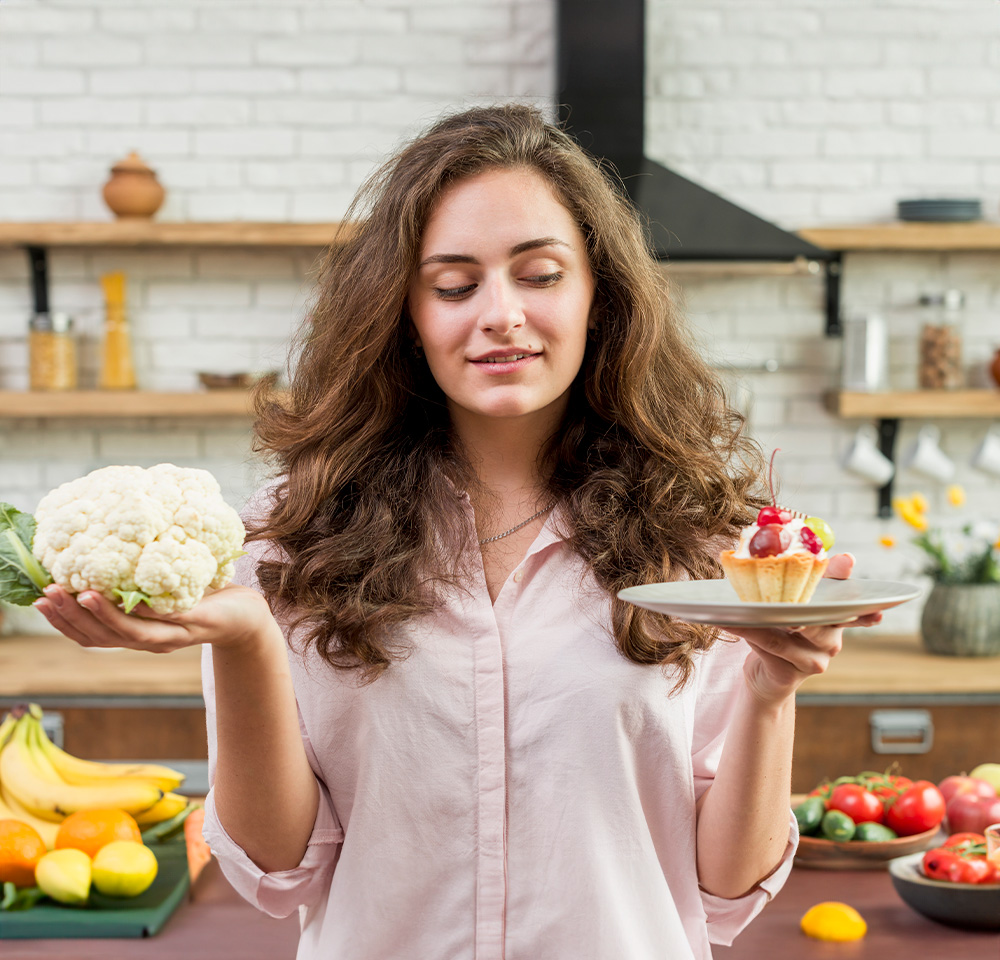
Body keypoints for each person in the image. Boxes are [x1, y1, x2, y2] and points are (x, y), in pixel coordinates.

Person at [33, 104, 879, 960]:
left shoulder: (701, 548)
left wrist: (773, 691)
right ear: (405, 313)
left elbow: (724, 891)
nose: (501, 314)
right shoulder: (291, 537)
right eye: (453, 285)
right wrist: (249, 640)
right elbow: (278, 870)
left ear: (600, 297)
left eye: (541, 275)